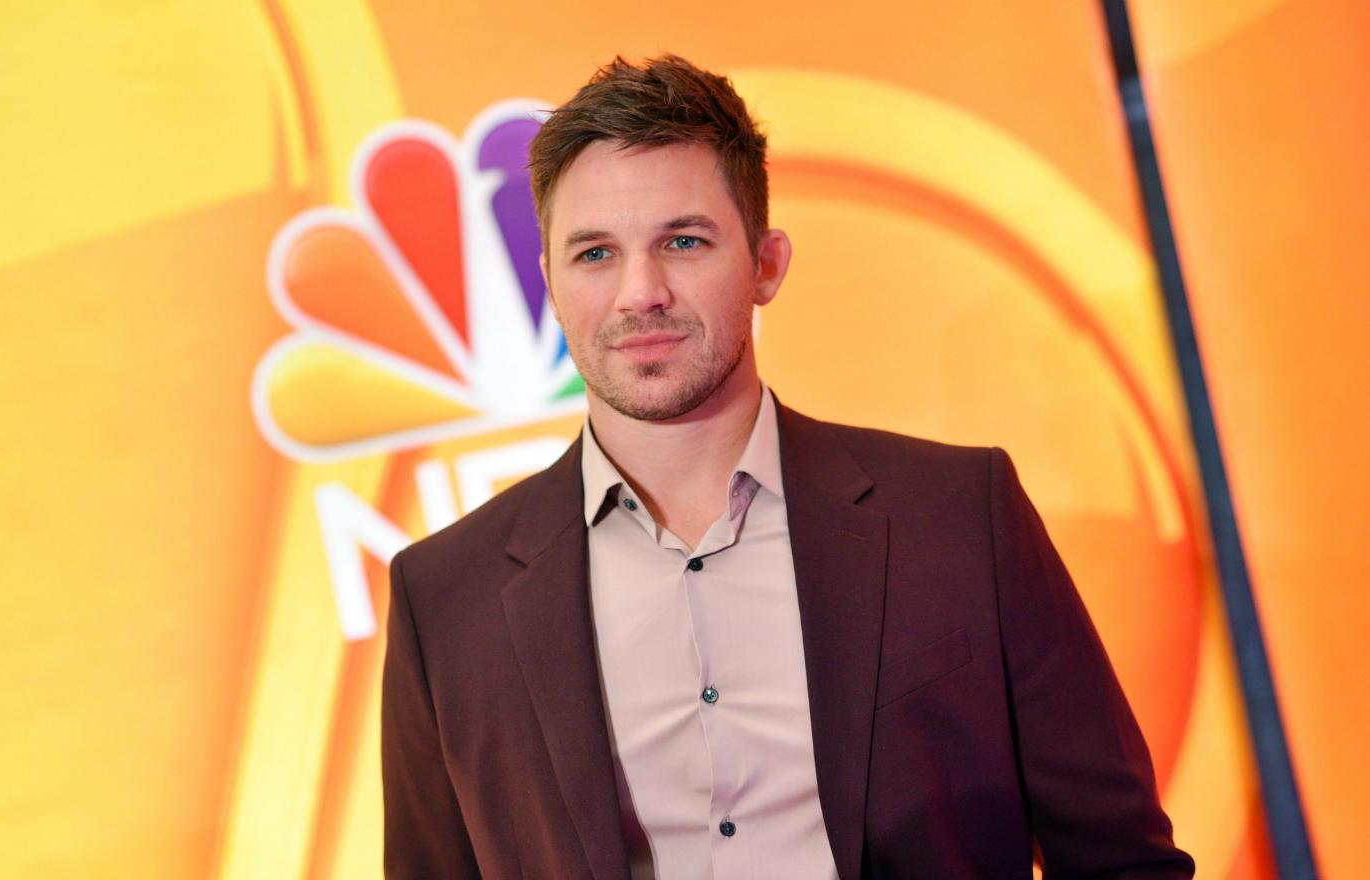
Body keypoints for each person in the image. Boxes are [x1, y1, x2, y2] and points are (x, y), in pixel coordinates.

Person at [381, 54, 1194, 879]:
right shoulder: (445, 599)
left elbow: (1119, 859)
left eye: (684, 240)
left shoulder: (957, 516)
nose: (640, 293)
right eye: (595, 254)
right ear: (550, 283)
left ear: (766, 264)